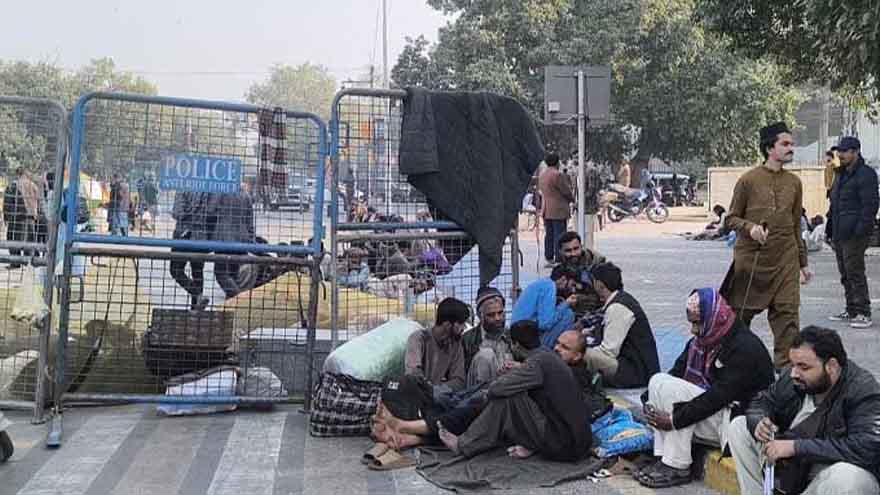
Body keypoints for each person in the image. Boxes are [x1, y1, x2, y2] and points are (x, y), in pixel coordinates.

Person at [635, 288, 774, 488]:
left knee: (673, 392)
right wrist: (648, 402)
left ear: (714, 318)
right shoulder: (700, 342)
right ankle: (663, 457)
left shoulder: (744, 348)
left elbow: (717, 397)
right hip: (711, 414)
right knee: (658, 381)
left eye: (697, 323)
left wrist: (673, 420)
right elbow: (675, 372)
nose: (693, 329)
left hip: (733, 423)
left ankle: (677, 465)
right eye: (692, 322)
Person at [728, 326, 880, 495]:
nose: (794, 373)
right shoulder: (794, 379)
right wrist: (759, 421)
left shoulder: (863, 391)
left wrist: (796, 447)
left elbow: (867, 448)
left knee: (848, 478)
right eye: (793, 365)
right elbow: (762, 401)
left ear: (831, 366)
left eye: (804, 367)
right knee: (740, 426)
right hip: (795, 470)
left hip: (828, 475)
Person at [721, 122, 812, 368]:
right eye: (785, 144)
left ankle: (786, 377)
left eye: (792, 144)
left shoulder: (794, 183)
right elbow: (730, 219)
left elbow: (796, 225)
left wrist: (803, 264)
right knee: (738, 320)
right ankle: (734, 369)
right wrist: (750, 228)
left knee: (788, 321)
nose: (791, 148)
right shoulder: (748, 180)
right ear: (769, 148)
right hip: (752, 262)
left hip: (786, 261)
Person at [437, 320, 591, 461]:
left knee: (506, 397)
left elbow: (498, 389)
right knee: (512, 397)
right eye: (557, 343)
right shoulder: (560, 365)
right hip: (575, 444)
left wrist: (511, 378)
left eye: (565, 347)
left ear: (515, 345)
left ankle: (464, 444)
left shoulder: (543, 361)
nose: (557, 348)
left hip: (562, 444)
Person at [826, 136, 880, 329]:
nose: (840, 154)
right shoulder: (841, 174)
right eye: (839, 151)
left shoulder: (866, 175)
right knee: (845, 273)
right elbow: (835, 204)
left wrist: (860, 230)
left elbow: (870, 205)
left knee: (855, 271)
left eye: (845, 151)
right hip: (840, 232)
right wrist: (829, 229)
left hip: (855, 234)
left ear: (856, 151)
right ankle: (851, 309)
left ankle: (863, 312)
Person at [585, 262, 659, 388]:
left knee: (583, 354)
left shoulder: (618, 308)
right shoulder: (619, 300)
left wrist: (581, 349)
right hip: (628, 363)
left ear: (599, 284)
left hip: (636, 372)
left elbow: (608, 351)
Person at [404, 297, 470, 393]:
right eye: (460, 323)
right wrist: (431, 390)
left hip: (439, 395)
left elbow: (458, 380)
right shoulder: (419, 339)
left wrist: (438, 390)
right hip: (417, 396)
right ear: (447, 325)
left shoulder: (455, 344)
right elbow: (413, 374)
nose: (464, 327)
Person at [510, 264, 578, 348]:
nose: (573, 289)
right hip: (525, 338)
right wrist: (566, 304)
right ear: (563, 279)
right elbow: (545, 324)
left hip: (521, 333)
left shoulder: (543, 283)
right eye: (572, 285)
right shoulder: (550, 287)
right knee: (568, 314)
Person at [169, 191, 215, 310]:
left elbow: (177, 212)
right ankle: (196, 309)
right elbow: (212, 212)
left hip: (183, 235)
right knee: (197, 271)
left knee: (175, 270)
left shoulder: (184, 187)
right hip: (201, 236)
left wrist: (187, 215)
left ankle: (197, 295)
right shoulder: (210, 188)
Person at [461, 286, 511, 387]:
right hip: (477, 393)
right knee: (486, 355)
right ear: (480, 316)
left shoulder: (512, 336)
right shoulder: (467, 340)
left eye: (500, 313)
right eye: (491, 315)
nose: (497, 318)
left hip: (507, 390)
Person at [212, 192, 256, 299]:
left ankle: (237, 297)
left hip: (223, 239)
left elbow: (210, 209)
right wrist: (251, 238)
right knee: (234, 273)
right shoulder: (245, 195)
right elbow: (249, 220)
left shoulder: (221, 193)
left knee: (221, 272)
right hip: (241, 238)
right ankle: (232, 301)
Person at [537, 153, 574, 267]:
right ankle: (559, 258)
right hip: (558, 209)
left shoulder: (542, 175)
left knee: (549, 234)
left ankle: (549, 257)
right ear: (557, 162)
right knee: (560, 234)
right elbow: (566, 191)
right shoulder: (557, 175)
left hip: (546, 209)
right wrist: (572, 199)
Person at [557, 231, 606, 316]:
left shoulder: (598, 265)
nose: (573, 253)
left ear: (581, 246)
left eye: (576, 248)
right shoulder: (559, 269)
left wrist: (580, 299)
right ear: (561, 251)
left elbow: (608, 296)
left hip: (596, 313)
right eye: (568, 250)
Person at [3, 166, 42, 268]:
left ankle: (16, 262)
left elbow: (7, 202)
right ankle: (31, 262)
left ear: (17, 174)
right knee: (30, 240)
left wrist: (6, 217)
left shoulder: (13, 185)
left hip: (17, 218)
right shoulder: (33, 185)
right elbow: (39, 201)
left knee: (13, 240)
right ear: (26, 173)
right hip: (31, 217)